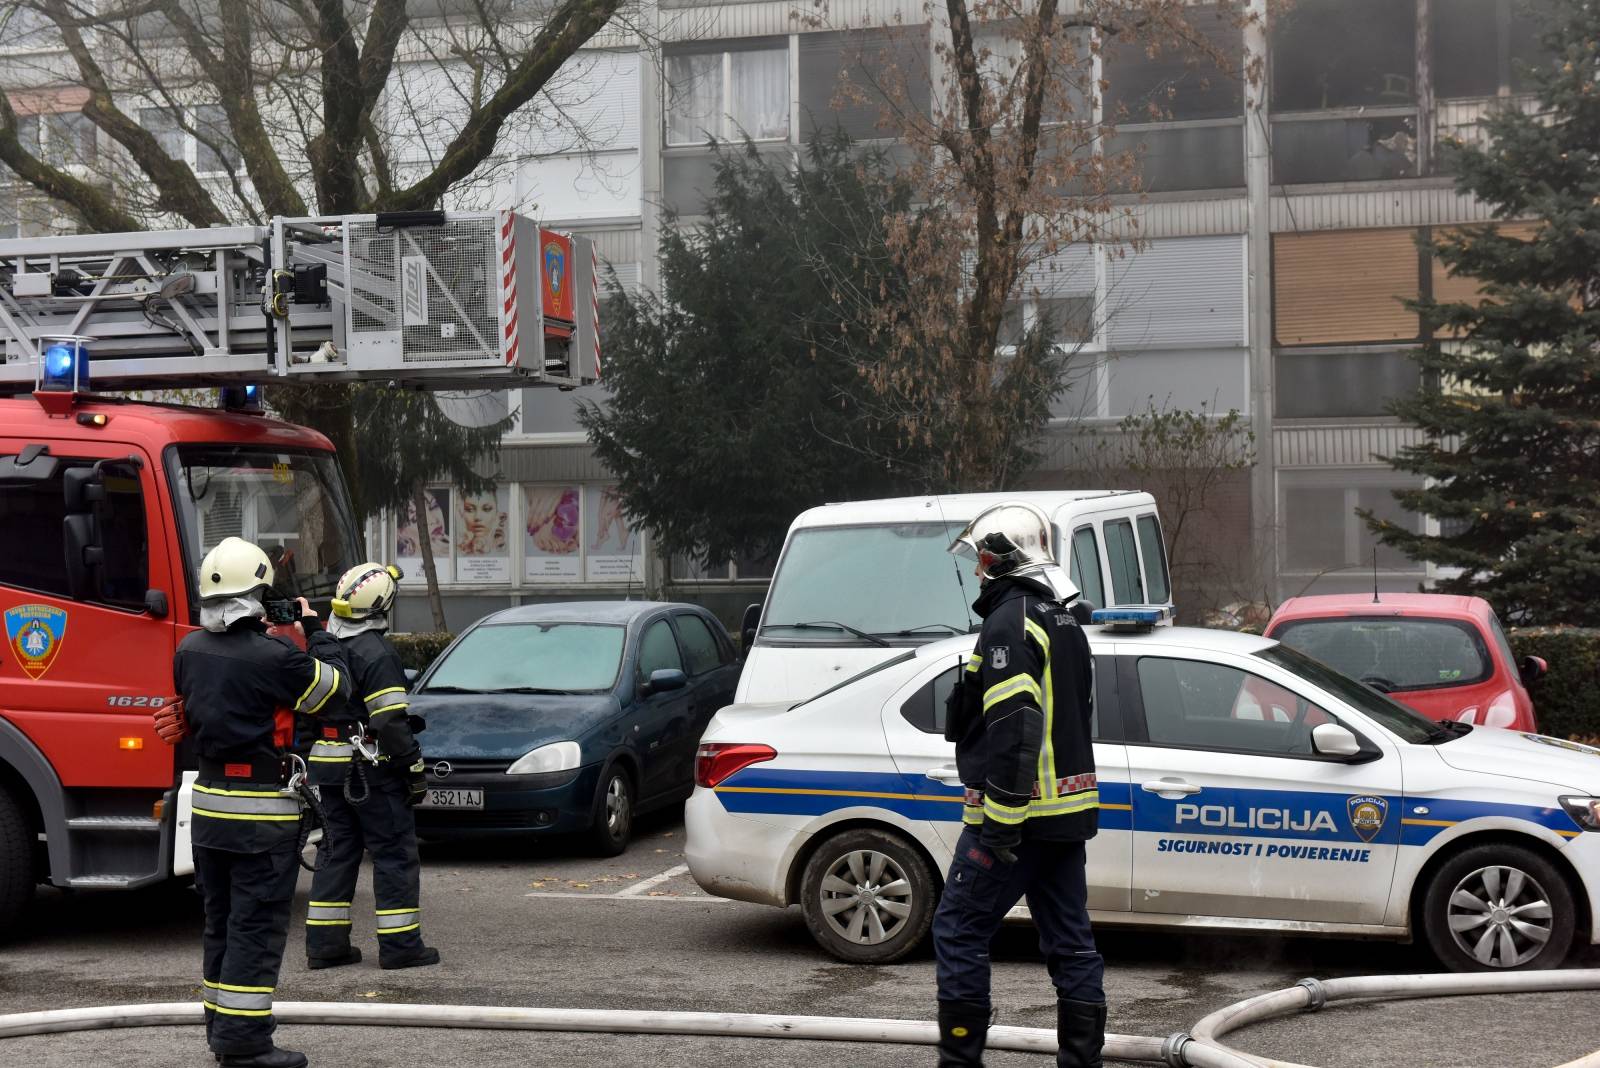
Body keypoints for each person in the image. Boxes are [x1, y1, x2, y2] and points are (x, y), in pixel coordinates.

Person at [933, 502, 1105, 1068]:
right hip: (1064, 819)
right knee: (1072, 945)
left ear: (993, 558)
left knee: (958, 929)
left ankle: (960, 1063)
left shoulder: (1010, 621)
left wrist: (1001, 822)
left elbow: (1014, 726)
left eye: (978, 561)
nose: (975, 572)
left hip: (1015, 818)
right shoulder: (1062, 619)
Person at [173, 537, 350, 1068]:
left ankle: (219, 1030)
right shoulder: (276, 657)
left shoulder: (186, 650)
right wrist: (315, 629)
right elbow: (334, 692)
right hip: (259, 817)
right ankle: (245, 1043)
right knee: (255, 926)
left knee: (220, 923)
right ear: (257, 594)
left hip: (206, 814)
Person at [304, 562, 440, 971]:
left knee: (336, 851)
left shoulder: (325, 648)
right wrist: (414, 770)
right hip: (372, 774)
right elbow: (390, 722)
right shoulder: (376, 652)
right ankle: (401, 948)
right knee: (394, 853)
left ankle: (325, 947)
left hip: (328, 772)